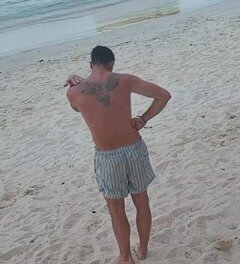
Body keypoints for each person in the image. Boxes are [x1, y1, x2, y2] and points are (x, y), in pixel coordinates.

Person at [65, 46, 172, 264]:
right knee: (141, 201)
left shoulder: (75, 92)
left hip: (107, 156)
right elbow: (163, 96)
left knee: (116, 210)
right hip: (134, 148)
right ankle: (143, 248)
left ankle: (125, 256)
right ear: (112, 63)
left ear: (91, 65)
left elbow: (76, 108)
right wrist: (144, 118)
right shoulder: (125, 80)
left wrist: (74, 81)